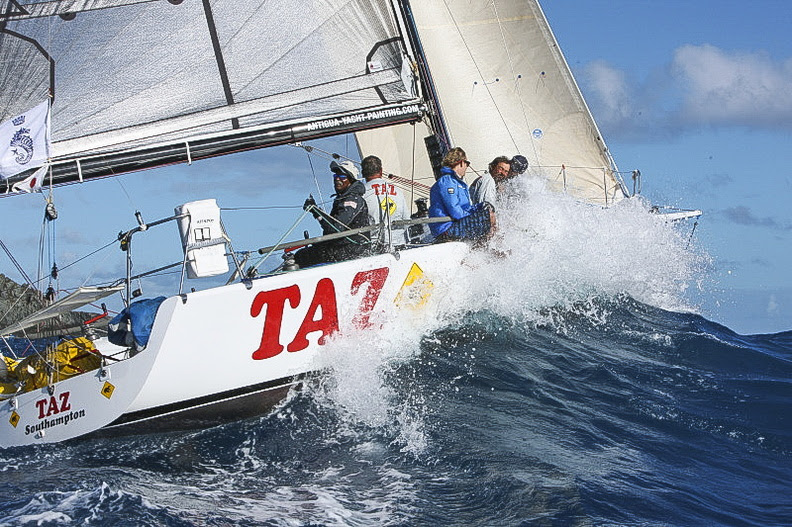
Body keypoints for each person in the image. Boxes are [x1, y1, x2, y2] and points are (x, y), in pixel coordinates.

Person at [293, 160, 370, 268]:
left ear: (351, 180)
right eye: (336, 175)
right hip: (343, 248)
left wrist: (316, 212)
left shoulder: (352, 200)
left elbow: (335, 227)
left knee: (301, 256)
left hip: (351, 252)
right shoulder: (344, 199)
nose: (337, 179)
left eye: (342, 176)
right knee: (305, 253)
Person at [428, 147, 494, 242]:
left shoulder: (458, 183)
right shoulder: (447, 182)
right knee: (489, 217)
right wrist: (474, 216)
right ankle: (492, 248)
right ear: (461, 162)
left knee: (490, 213)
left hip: (455, 224)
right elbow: (455, 211)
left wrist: (480, 206)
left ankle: (487, 248)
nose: (467, 167)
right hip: (446, 228)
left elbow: (464, 208)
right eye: (467, 164)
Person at [361, 155, 409, 246]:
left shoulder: (361, 194)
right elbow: (406, 219)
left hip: (375, 249)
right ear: (381, 171)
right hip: (400, 245)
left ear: (363, 173)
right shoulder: (398, 191)